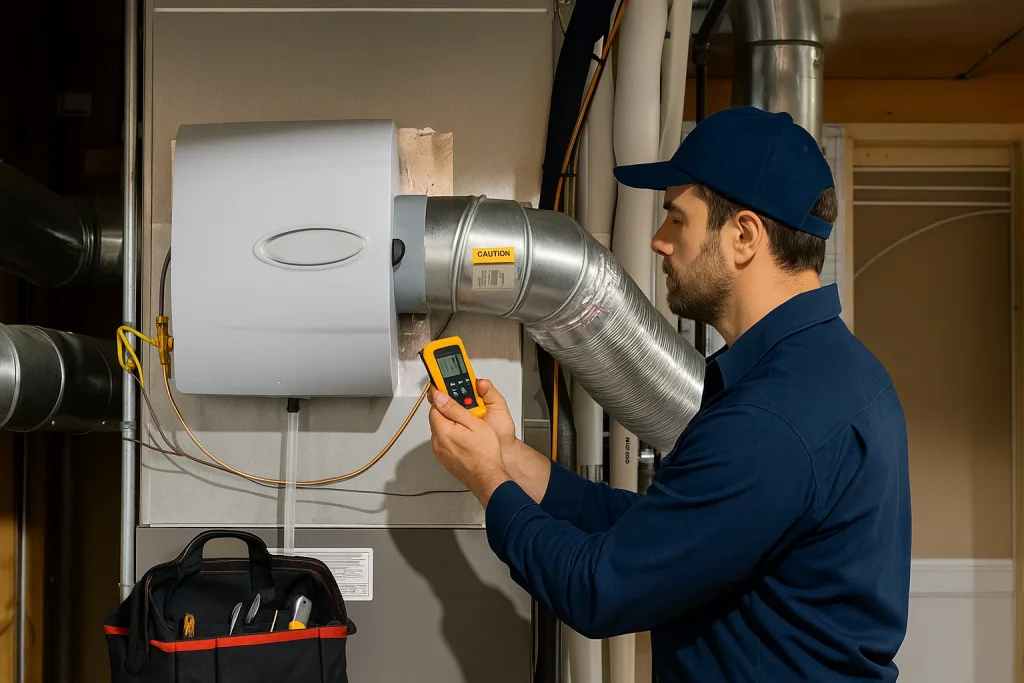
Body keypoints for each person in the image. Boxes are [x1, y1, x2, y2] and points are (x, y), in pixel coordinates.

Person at [425, 106, 911, 682]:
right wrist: (511, 457)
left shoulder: (770, 419)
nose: (659, 242)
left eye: (676, 220)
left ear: (745, 235)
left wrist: (490, 484)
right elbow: (675, 530)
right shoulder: (841, 373)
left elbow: (600, 589)